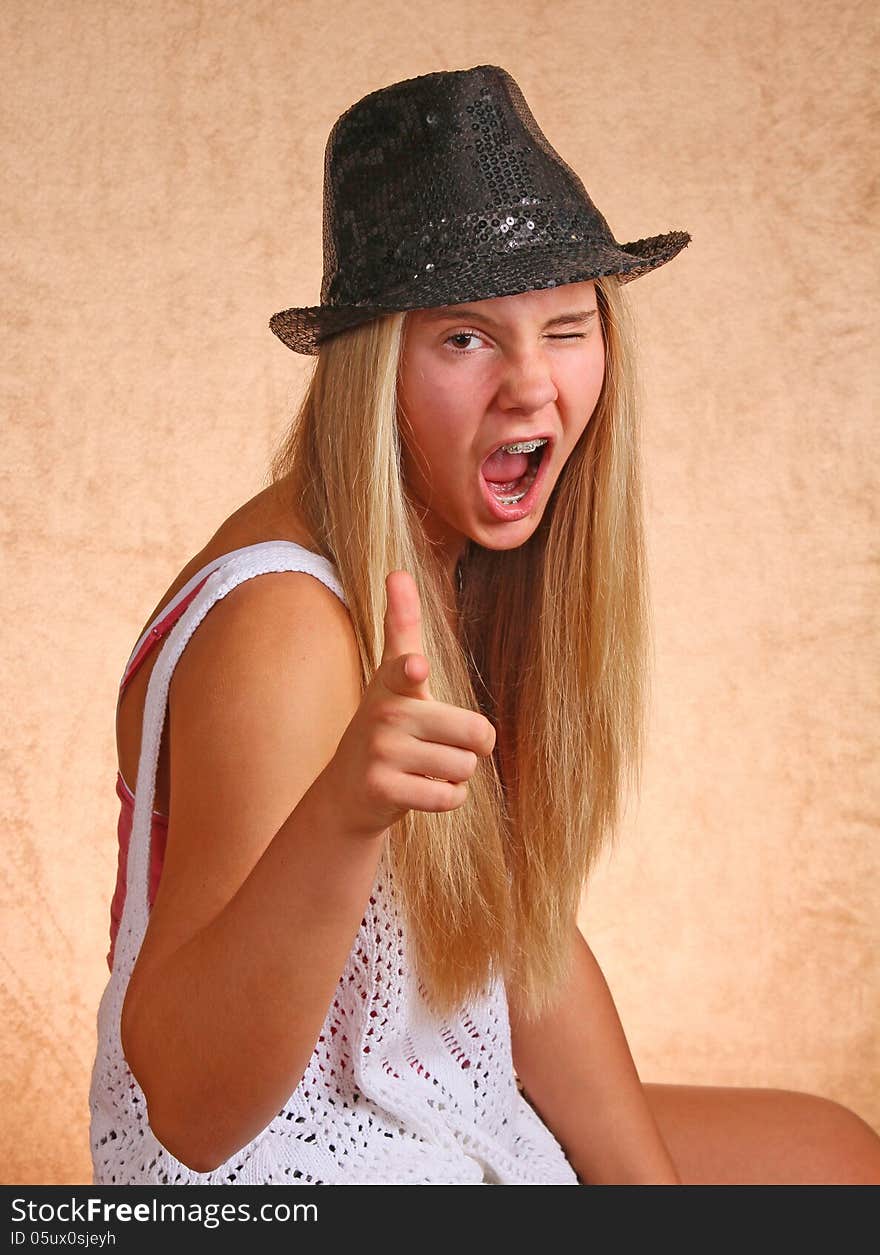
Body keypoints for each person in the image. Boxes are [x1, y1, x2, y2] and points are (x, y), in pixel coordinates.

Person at [89, 64, 880, 1186]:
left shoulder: (449, 561)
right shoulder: (283, 627)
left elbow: (515, 936)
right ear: (372, 372)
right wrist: (344, 812)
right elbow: (191, 1113)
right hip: (277, 1176)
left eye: (564, 328)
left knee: (829, 1157)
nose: (530, 387)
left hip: (420, 1082)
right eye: (464, 338)